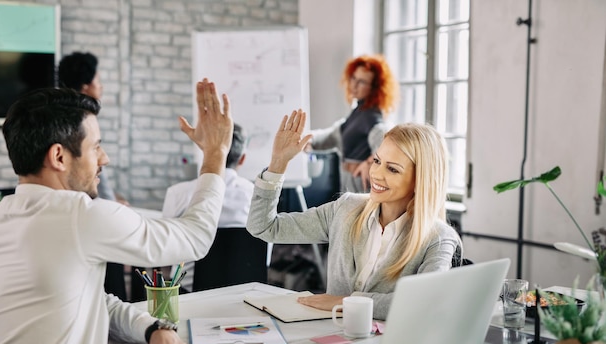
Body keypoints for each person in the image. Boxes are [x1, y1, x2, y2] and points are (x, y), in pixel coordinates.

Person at [0, 79, 233, 344]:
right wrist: (215, 154)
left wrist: (155, 328)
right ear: (59, 156)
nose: (105, 158)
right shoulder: (78, 216)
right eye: (95, 146)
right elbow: (194, 237)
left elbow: (91, 302)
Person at [247, 110, 461, 320]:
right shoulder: (346, 209)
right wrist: (278, 164)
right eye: (376, 161)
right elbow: (264, 226)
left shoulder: (438, 238)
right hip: (331, 340)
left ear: (420, 180)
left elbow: (425, 303)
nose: (376, 174)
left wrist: (345, 302)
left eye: (392, 169)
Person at [161, 123, 253, 290]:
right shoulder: (257, 196)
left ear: (205, 153)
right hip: (246, 292)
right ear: (242, 159)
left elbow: (166, 253)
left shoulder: (177, 193)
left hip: (188, 294)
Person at [308, 54, 398, 193]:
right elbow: (333, 135)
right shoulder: (359, 111)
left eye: (361, 82)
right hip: (349, 187)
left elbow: (388, 153)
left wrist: (369, 163)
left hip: (361, 190)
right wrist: (306, 139)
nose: (354, 85)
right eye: (353, 78)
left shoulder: (372, 118)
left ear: (375, 88)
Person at [58, 51, 128, 205]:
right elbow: (91, 170)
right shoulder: (82, 124)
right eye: (98, 80)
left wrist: (112, 198)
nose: (101, 86)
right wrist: (112, 204)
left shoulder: (61, 115)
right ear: (85, 87)